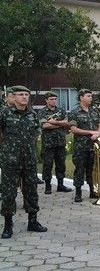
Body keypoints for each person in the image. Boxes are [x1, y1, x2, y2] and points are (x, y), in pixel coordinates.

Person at [1, 85, 47, 239]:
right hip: (10, 160)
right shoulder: (5, 114)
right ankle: (8, 225)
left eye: (26, 94)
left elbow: (35, 134)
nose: (24, 97)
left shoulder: (32, 115)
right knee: (9, 193)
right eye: (20, 94)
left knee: (31, 191)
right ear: (13, 97)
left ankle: (32, 221)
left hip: (29, 160)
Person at [68, 89, 100, 202]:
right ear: (81, 98)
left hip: (93, 147)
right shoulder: (74, 112)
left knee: (92, 170)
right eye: (88, 96)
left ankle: (92, 191)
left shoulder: (94, 111)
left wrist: (98, 133)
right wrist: (90, 132)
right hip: (81, 147)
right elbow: (73, 129)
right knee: (79, 170)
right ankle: (78, 193)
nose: (90, 98)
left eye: (91, 96)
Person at [38, 91, 72, 194]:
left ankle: (60, 185)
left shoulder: (61, 111)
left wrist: (53, 122)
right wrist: (60, 124)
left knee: (61, 165)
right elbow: (45, 126)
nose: (54, 101)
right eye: (51, 99)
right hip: (48, 144)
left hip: (60, 143)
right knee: (47, 165)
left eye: (55, 99)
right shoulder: (42, 112)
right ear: (46, 100)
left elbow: (67, 123)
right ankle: (48, 186)